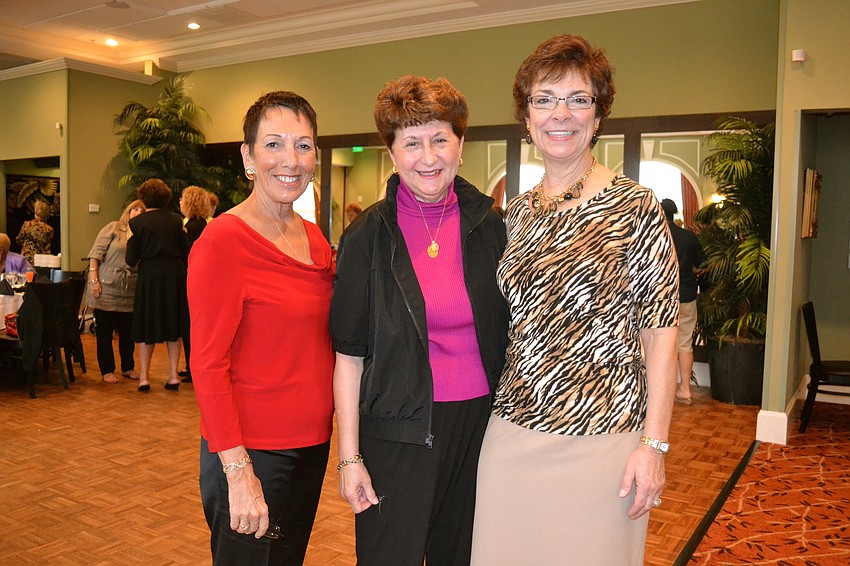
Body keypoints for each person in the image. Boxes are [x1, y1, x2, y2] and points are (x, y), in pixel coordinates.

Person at [470, 35, 679, 566]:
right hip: (511, 437)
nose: (560, 113)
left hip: (603, 441)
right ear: (526, 116)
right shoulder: (514, 212)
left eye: (578, 98)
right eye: (544, 99)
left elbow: (660, 335)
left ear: (598, 113)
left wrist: (653, 447)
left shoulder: (635, 205)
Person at [330, 75, 509, 566]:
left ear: (460, 144)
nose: (427, 157)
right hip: (396, 434)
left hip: (479, 429)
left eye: (439, 139)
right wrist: (350, 459)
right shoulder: (367, 236)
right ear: (392, 152)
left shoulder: (491, 225)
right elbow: (348, 358)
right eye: (411, 142)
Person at [187, 91, 335, 566]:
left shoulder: (313, 237)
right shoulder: (223, 242)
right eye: (274, 145)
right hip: (252, 451)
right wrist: (237, 470)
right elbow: (208, 364)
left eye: (303, 145)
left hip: (311, 443)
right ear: (248, 157)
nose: (290, 160)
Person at [125, 178, 189, 392]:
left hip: (150, 277)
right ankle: (173, 375)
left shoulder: (136, 224)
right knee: (174, 324)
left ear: (143, 198)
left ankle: (144, 377)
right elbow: (186, 250)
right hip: (174, 276)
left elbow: (131, 259)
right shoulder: (176, 220)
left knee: (146, 326)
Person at [87, 200, 146, 383]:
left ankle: (128, 367)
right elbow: (95, 255)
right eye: (134, 208)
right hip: (107, 286)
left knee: (128, 333)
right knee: (104, 332)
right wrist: (94, 280)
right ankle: (107, 369)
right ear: (127, 211)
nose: (138, 212)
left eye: (142, 210)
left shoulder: (142, 234)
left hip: (130, 289)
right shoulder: (113, 228)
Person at [660, 198, 707, 404]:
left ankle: (660, 392)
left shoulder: (654, 237)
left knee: (660, 344)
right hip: (686, 295)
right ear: (674, 215)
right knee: (685, 343)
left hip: (660, 298)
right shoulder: (689, 237)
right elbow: (703, 265)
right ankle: (685, 390)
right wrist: (691, 271)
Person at [178, 185, 211, 383]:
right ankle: (191, 366)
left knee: (190, 327)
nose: (180, 202)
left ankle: (193, 368)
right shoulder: (206, 226)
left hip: (191, 282)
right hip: (205, 284)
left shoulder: (189, 229)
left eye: (182, 198)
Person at [16, 200, 55, 265]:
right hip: (43, 260)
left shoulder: (27, 225)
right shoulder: (49, 229)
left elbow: (19, 240)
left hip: (28, 258)